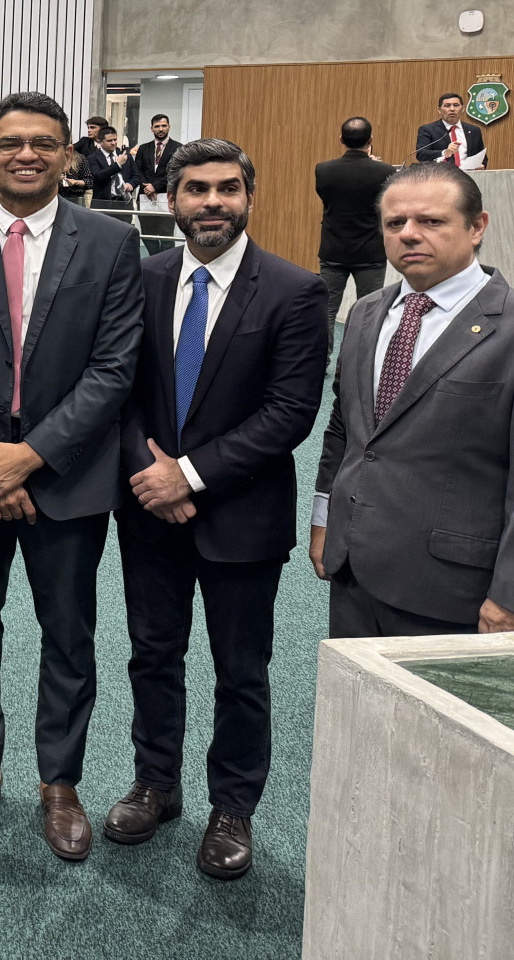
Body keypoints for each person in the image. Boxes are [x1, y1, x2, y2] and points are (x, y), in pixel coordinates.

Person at [0, 91, 143, 862]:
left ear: (68, 154)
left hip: (68, 473)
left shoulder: (112, 242)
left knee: (69, 632)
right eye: (11, 142)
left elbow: (115, 368)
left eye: (44, 143)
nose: (27, 154)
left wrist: (33, 456)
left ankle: (60, 782)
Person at [106, 139, 330, 881]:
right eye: (196, 189)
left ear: (248, 199)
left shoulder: (296, 292)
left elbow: (290, 412)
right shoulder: (139, 280)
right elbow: (119, 390)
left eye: (226, 189)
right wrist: (150, 472)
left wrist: (189, 477)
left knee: (241, 671)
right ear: (171, 201)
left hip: (242, 514)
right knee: (152, 656)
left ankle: (232, 808)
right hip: (147, 512)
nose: (211, 203)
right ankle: (156, 785)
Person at [313, 163, 514, 639]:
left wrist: (508, 595)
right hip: (353, 571)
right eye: (395, 223)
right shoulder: (364, 313)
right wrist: (325, 520)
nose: (409, 235)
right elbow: (345, 429)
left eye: (431, 221)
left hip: (454, 587)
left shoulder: (507, 326)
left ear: (477, 227)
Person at [315, 117, 394, 309]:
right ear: (371, 140)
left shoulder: (323, 170)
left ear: (341, 139)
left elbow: (327, 198)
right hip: (370, 251)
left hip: (334, 249)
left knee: (327, 311)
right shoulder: (385, 171)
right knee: (369, 312)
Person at [130, 114, 180, 256]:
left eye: (164, 126)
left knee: (166, 234)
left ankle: (168, 262)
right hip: (145, 196)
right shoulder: (143, 148)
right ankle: (155, 258)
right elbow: (137, 170)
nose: (160, 129)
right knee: (148, 233)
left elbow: (175, 172)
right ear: (152, 128)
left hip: (167, 195)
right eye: (157, 126)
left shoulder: (178, 148)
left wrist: (155, 186)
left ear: (169, 127)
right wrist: (147, 186)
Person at [414, 92, 486, 170]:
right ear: (439, 110)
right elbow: (421, 154)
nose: (452, 109)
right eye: (447, 106)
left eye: (456, 105)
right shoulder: (428, 129)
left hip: (468, 176)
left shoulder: (473, 130)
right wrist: (445, 152)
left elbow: (482, 156)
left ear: (463, 109)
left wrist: (482, 165)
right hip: (441, 177)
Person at [86, 126, 135, 210]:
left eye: (115, 139)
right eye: (109, 141)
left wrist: (131, 184)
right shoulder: (93, 158)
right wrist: (117, 165)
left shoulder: (125, 155)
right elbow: (98, 176)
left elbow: (136, 175)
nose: (113, 143)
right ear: (100, 141)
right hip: (103, 203)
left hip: (124, 203)